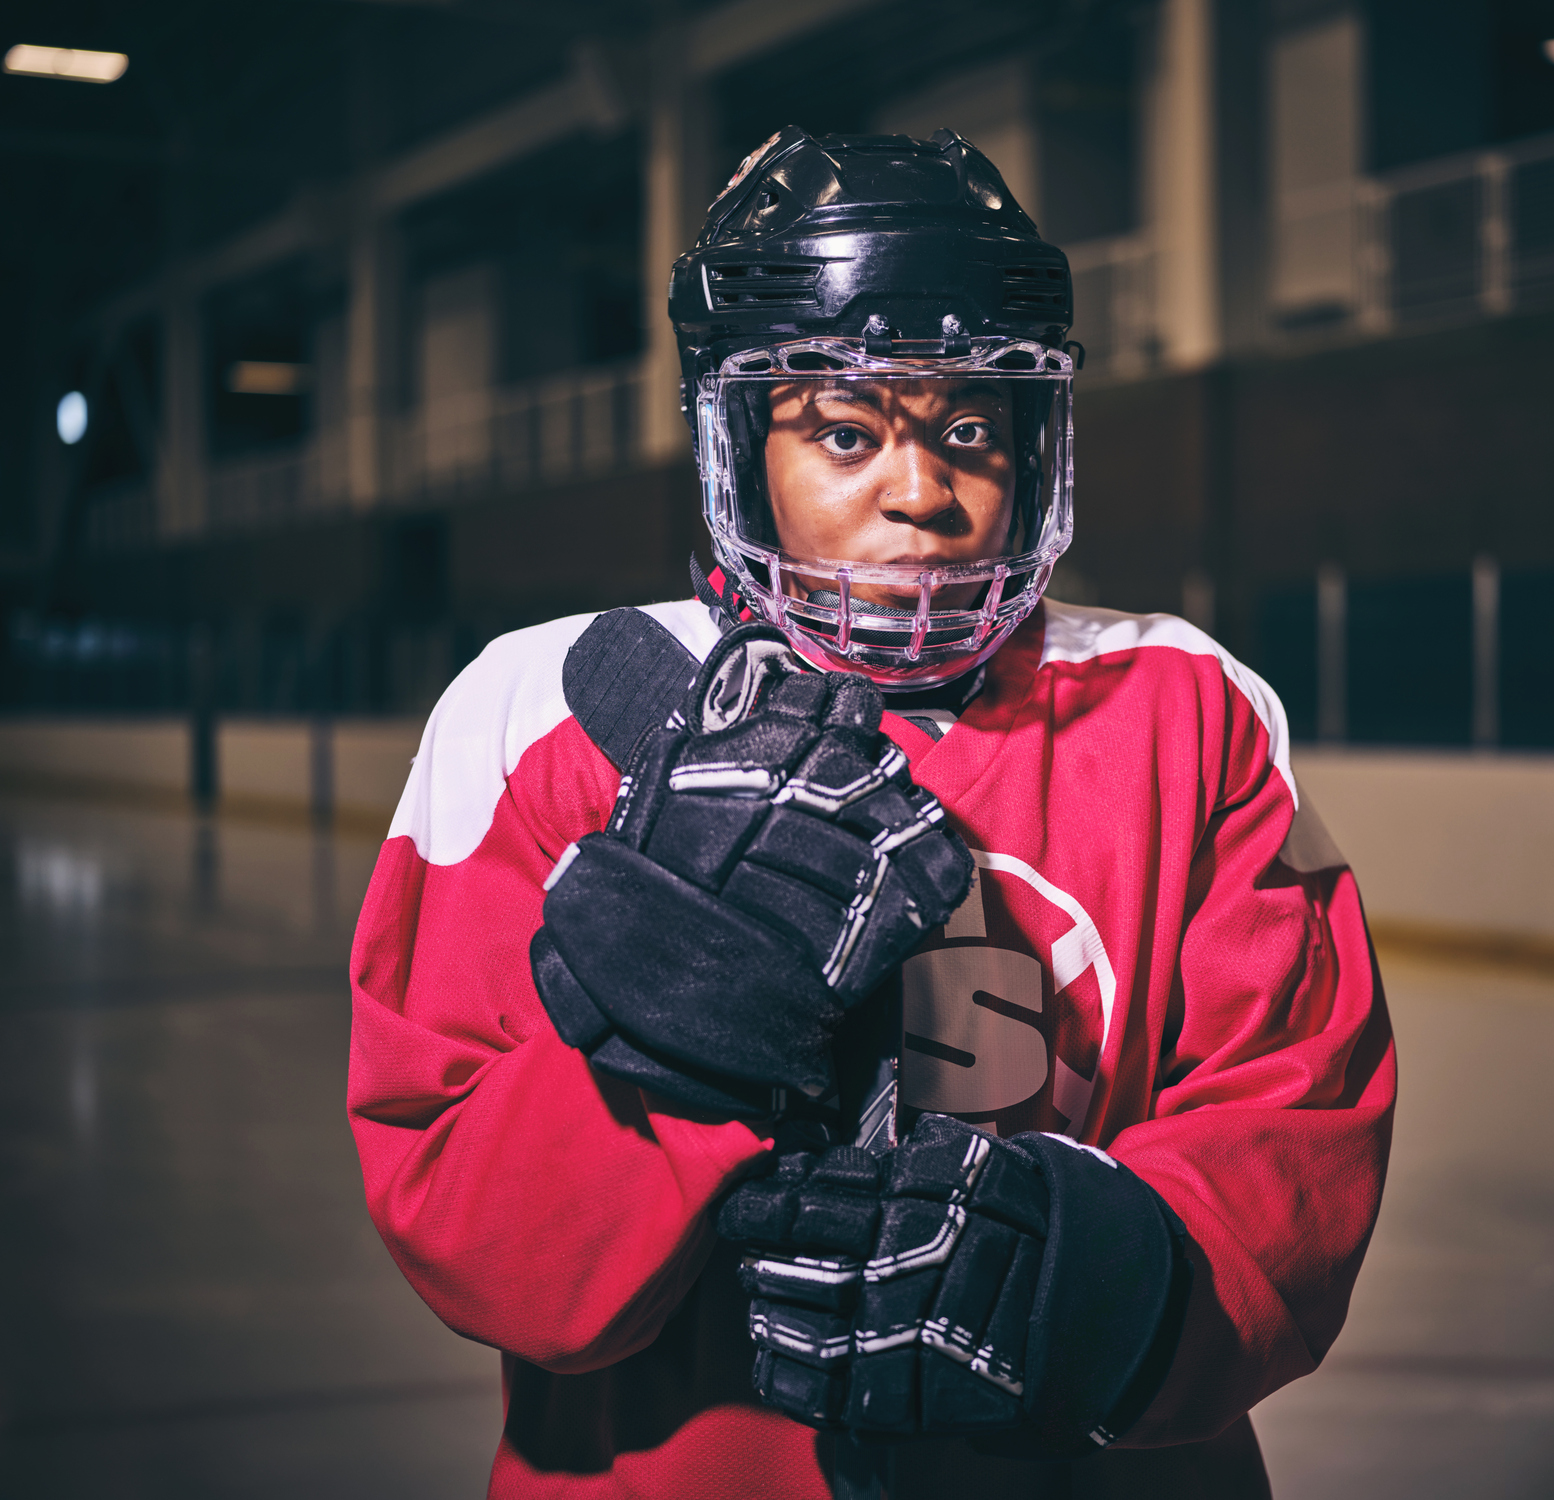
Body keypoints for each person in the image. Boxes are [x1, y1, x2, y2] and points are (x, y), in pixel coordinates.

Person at [347, 127, 1394, 1500]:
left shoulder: (1187, 708)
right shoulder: (536, 715)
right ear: (735, 439)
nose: (921, 489)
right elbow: (483, 1247)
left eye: (970, 426)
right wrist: (686, 1015)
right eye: (846, 430)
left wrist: (1096, 1287)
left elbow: (1295, 1136)